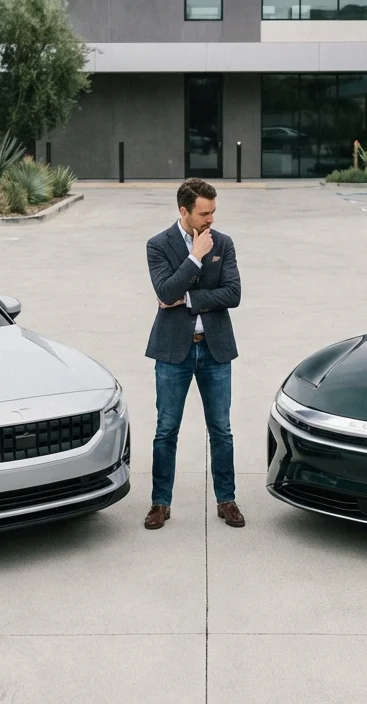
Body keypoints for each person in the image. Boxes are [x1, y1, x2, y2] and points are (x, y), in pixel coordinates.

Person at [143, 178, 243, 530]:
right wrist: (195, 257)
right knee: (166, 429)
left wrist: (186, 300)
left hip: (215, 350)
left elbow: (233, 293)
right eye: (204, 213)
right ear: (183, 211)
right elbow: (163, 288)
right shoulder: (158, 245)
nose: (210, 220)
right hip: (173, 351)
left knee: (222, 429)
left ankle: (226, 499)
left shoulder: (225, 243)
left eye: (213, 212)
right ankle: (160, 502)